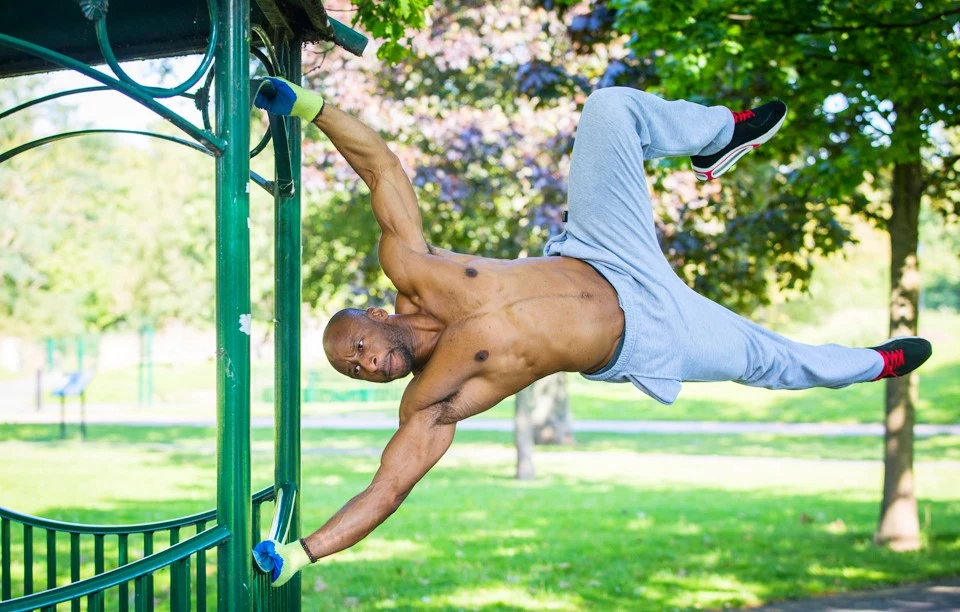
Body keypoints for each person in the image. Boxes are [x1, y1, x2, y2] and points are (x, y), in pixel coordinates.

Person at [250, 77, 932, 586]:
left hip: (603, 248)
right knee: (767, 359)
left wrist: (310, 109)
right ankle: (872, 365)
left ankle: (722, 132)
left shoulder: (413, 264)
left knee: (610, 109)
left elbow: (380, 167)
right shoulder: (433, 400)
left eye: (356, 346)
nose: (363, 363)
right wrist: (302, 553)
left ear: (374, 313)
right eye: (352, 369)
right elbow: (387, 489)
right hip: (647, 333)